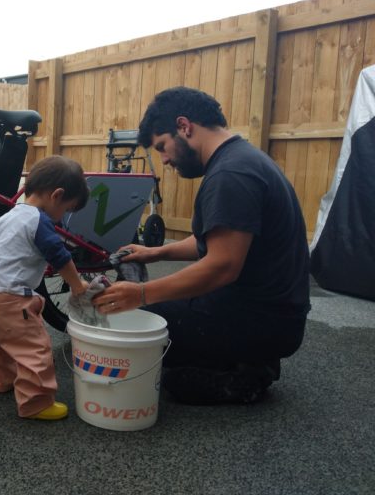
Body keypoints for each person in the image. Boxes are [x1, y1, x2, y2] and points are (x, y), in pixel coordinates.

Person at [93, 86, 310, 405]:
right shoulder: (244, 159)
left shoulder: (231, 174)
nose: (164, 160)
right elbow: (214, 242)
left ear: (184, 126)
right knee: (151, 318)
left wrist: (140, 294)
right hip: (276, 316)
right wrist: (156, 252)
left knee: (131, 325)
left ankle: (243, 373)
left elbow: (222, 265)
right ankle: (246, 357)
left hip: (259, 319)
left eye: (162, 146)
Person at [0, 155, 90, 420]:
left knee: (0, 345)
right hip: (11, 299)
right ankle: (37, 403)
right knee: (34, 348)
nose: (62, 218)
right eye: (66, 210)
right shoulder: (40, 221)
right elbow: (59, 256)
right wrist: (77, 285)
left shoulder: (8, 216)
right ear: (57, 196)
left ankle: (4, 382)